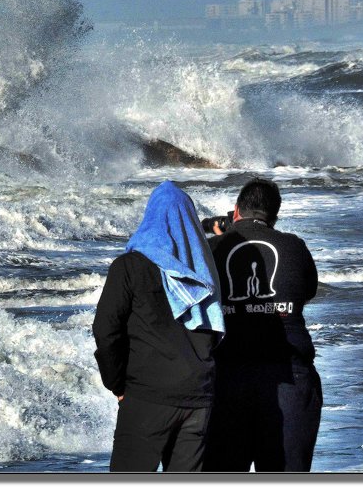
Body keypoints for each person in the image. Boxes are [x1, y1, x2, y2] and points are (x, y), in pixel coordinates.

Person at [92, 180, 226, 472]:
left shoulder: (129, 267)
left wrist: (117, 384)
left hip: (147, 396)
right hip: (198, 397)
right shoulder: (206, 273)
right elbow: (216, 331)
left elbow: (106, 329)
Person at [203, 177, 322, 472]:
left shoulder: (213, 248)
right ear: (275, 216)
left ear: (235, 210)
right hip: (289, 373)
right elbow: (306, 291)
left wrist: (224, 237)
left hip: (228, 375)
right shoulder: (294, 246)